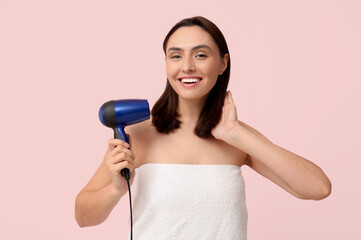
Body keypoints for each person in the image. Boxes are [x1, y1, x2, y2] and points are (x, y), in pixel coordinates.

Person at [75, 16, 331, 239]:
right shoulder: (139, 134)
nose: (187, 66)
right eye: (176, 55)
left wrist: (235, 133)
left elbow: (318, 188)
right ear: (166, 63)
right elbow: (83, 217)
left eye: (200, 54)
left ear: (222, 63)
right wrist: (116, 189)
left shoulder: (237, 139)